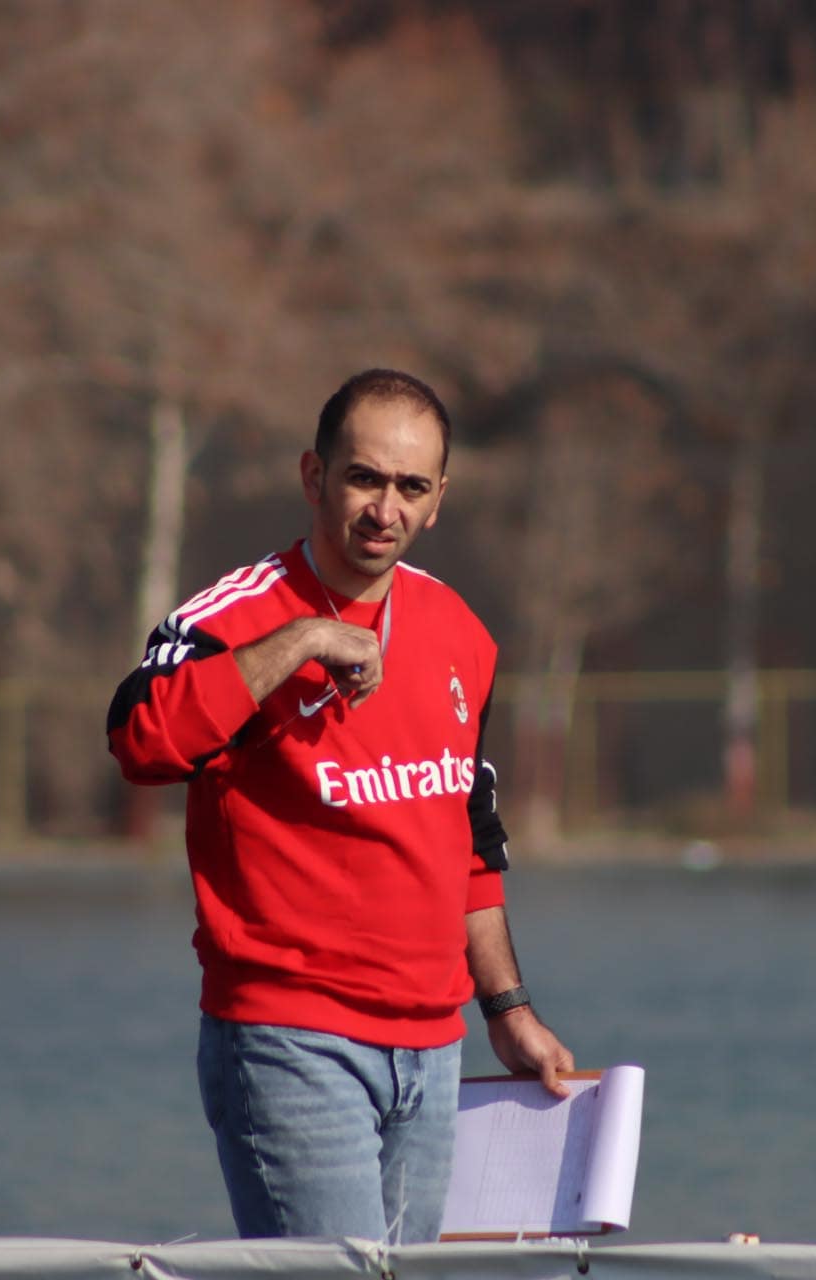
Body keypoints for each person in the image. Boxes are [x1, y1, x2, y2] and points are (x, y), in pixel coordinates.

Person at [107, 368, 574, 1243]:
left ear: (439, 500)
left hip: (433, 1052)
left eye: (411, 487)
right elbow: (140, 740)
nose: (384, 509)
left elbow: (469, 844)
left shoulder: (460, 632)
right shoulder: (234, 615)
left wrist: (507, 1011)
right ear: (314, 476)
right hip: (291, 1042)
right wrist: (302, 640)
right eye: (364, 478)